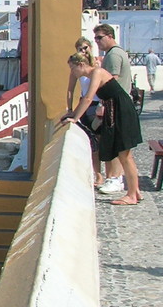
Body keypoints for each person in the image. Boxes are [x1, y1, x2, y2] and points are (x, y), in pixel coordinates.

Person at [61, 52, 142, 206]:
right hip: (116, 110)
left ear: (81, 65)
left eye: (73, 69)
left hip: (121, 111)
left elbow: (88, 98)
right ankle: (135, 190)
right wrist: (72, 113)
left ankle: (132, 195)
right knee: (125, 154)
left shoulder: (96, 72)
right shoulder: (94, 74)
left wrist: (75, 118)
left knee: (125, 155)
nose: (73, 72)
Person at [93, 23, 133, 193]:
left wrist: (102, 105)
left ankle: (115, 179)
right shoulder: (115, 53)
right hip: (118, 104)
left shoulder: (113, 56)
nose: (97, 42)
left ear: (110, 36)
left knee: (117, 144)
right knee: (117, 144)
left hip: (115, 105)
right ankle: (115, 178)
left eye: (100, 38)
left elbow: (111, 82)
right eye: (95, 38)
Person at [66, 37, 104, 186]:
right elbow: (70, 90)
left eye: (85, 48)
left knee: (103, 142)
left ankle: (112, 175)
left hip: (98, 105)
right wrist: (70, 110)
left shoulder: (98, 65)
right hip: (86, 106)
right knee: (93, 143)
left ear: (90, 47)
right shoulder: (76, 68)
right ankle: (98, 175)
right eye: (80, 49)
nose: (83, 51)